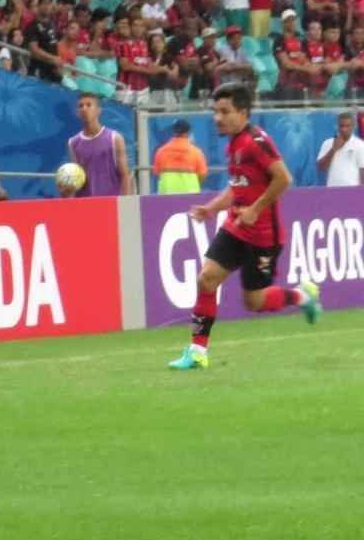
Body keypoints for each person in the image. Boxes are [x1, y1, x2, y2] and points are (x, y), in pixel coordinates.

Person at [169, 83, 321, 371]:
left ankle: (303, 295)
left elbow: (284, 179)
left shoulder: (256, 142)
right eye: (215, 111)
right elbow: (237, 187)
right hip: (237, 226)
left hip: (263, 234)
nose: (218, 117)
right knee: (206, 279)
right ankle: (197, 351)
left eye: (225, 111)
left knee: (254, 301)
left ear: (243, 112)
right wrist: (212, 208)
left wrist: (256, 209)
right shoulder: (234, 143)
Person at [63, 92, 132, 197]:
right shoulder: (73, 143)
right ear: (77, 113)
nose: (84, 108)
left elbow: (125, 175)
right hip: (86, 205)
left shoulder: (115, 138)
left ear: (98, 111)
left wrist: (127, 203)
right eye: (80, 106)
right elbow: (77, 178)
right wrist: (66, 191)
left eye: (89, 105)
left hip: (111, 203)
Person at [152, 120, 208, 194]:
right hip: (190, 194)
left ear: (173, 132)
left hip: (166, 194)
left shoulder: (161, 151)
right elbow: (202, 174)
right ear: (188, 133)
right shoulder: (196, 152)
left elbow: (156, 173)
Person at [316, 112, 364, 187]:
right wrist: (333, 149)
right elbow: (321, 168)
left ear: (353, 127)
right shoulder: (327, 143)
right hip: (332, 190)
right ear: (337, 126)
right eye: (341, 126)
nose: (344, 129)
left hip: (352, 190)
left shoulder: (360, 145)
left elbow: (362, 170)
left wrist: (361, 192)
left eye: (347, 126)